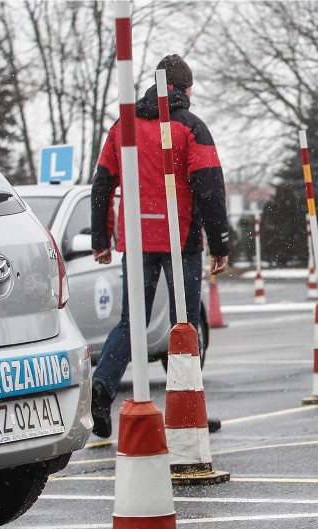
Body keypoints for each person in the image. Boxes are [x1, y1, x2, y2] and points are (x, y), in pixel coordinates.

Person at [89, 54, 229, 438]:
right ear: (185, 89)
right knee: (183, 324)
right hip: (180, 237)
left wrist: (101, 237)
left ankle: (100, 388)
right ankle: (187, 407)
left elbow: (103, 183)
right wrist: (220, 243)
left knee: (131, 320)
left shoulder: (124, 126)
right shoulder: (190, 127)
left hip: (136, 238)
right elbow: (209, 189)